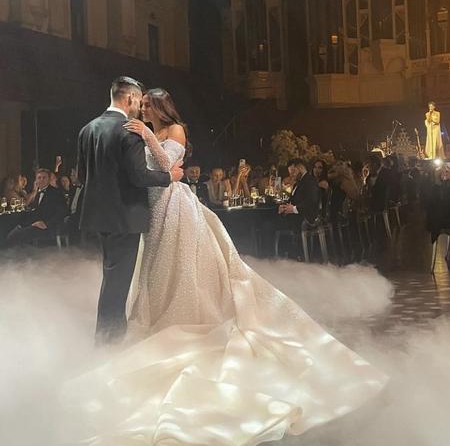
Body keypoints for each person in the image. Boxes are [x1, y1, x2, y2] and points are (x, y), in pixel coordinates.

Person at [64, 89, 387, 445]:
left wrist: (147, 139)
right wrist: (145, 139)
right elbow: (145, 171)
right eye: (143, 104)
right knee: (155, 265)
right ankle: (157, 319)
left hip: (174, 203)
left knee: (180, 263)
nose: (144, 108)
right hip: (152, 208)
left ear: (160, 107)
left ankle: (186, 318)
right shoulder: (147, 131)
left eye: (150, 105)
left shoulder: (175, 131)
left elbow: (169, 167)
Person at [76, 77, 184, 345]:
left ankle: (106, 334)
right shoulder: (128, 131)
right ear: (130, 99)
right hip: (125, 216)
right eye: (140, 101)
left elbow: (81, 175)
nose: (141, 108)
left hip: (96, 216)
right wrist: (168, 177)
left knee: (110, 274)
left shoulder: (87, 129)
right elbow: (138, 177)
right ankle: (109, 340)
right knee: (118, 280)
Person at [5, 168, 67, 246]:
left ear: (49, 179)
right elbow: (36, 210)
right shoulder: (38, 193)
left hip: (48, 226)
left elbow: (63, 211)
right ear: (36, 180)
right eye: (39, 178)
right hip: (35, 223)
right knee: (11, 231)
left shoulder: (56, 192)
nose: (41, 180)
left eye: (44, 178)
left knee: (17, 235)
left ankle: (19, 256)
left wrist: (47, 224)